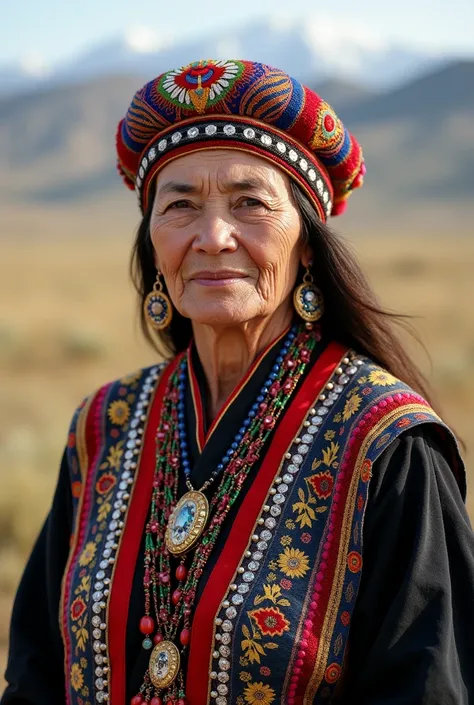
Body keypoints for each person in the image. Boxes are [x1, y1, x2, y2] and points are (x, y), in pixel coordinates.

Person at [2, 59, 473, 705]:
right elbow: (34, 671)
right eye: (181, 205)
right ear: (152, 241)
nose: (213, 236)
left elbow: (428, 687)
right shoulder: (104, 424)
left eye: (250, 202)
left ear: (307, 243)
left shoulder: (385, 442)